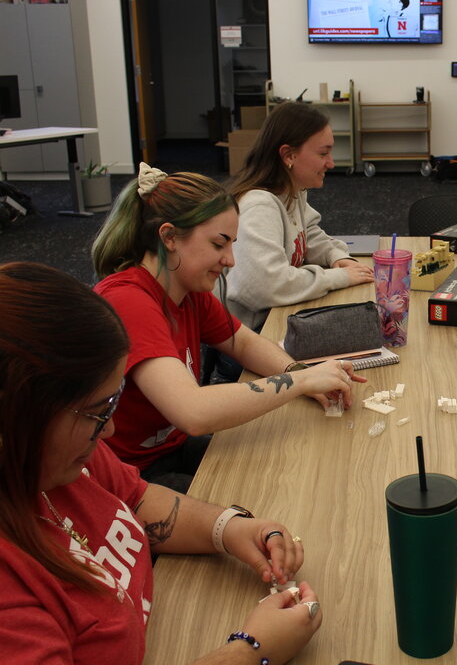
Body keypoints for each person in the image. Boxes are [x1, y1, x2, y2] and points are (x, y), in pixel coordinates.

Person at [0, 262, 322, 664]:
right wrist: (250, 651)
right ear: (18, 415)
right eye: (97, 412)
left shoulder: (54, 459)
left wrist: (230, 528)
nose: (110, 429)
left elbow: (136, 499)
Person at [91, 164, 365, 492]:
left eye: (232, 244)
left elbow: (243, 343)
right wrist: (301, 381)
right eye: (218, 244)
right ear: (169, 237)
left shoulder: (186, 288)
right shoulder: (129, 301)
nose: (231, 260)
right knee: (260, 498)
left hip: (171, 447)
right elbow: (193, 412)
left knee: (281, 471)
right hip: (127, 475)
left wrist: (302, 373)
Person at [225, 101, 374, 334]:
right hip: (255, 333)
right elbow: (264, 286)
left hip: (279, 314)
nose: (331, 163)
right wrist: (338, 277)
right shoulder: (259, 207)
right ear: (288, 155)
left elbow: (308, 234)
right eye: (323, 153)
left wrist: (336, 256)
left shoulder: (292, 191)